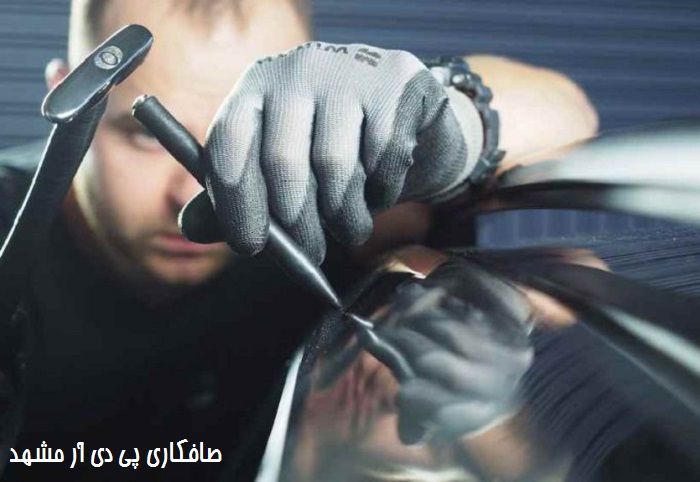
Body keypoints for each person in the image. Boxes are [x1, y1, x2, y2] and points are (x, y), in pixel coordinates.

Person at [0, 0, 597, 480]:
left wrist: (450, 115)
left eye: (241, 138)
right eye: (144, 137)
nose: (187, 194)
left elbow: (567, 117)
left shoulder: (329, 214)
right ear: (65, 92)